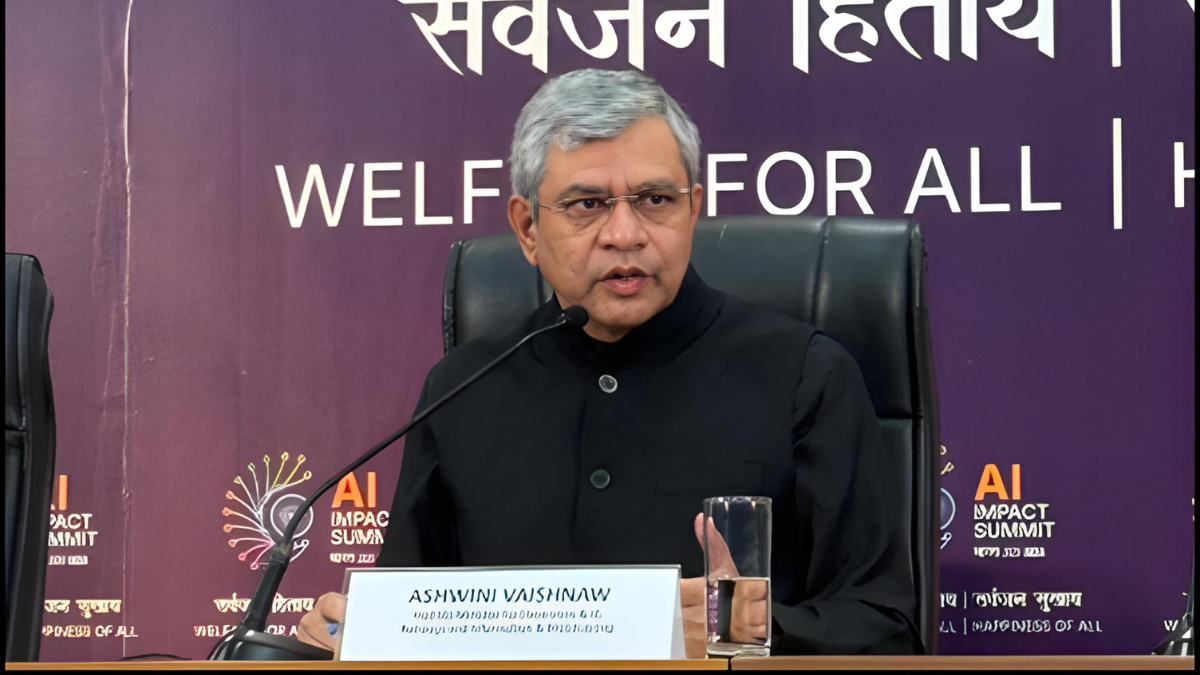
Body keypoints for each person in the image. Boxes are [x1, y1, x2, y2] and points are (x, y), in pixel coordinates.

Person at [297, 69, 920, 657]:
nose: (626, 233)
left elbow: (888, 631)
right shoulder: (462, 390)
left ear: (693, 207)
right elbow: (410, 619)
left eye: (655, 199)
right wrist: (358, 633)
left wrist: (748, 630)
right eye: (587, 204)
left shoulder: (803, 375)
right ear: (528, 229)